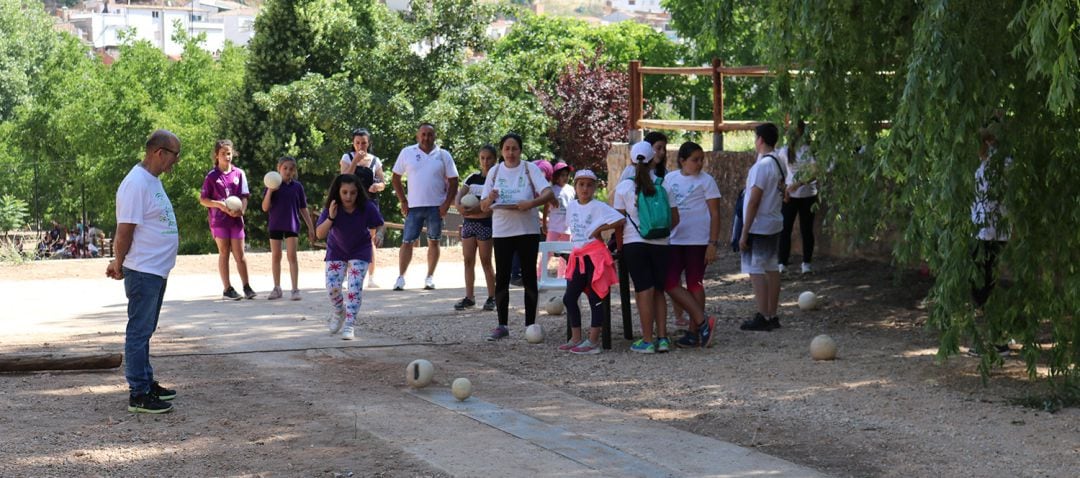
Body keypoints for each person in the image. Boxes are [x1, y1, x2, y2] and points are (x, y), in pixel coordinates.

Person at [105, 129, 181, 414]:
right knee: (138, 331)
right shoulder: (136, 183)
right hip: (143, 271)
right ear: (159, 153)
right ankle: (138, 393)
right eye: (175, 156)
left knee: (145, 329)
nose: (176, 162)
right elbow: (125, 230)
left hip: (156, 270)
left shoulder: (151, 181)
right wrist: (118, 261)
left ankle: (147, 383)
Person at [615, 141, 715, 353]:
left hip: (635, 243)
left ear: (631, 161)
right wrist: (661, 233)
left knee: (644, 291)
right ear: (653, 160)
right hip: (662, 244)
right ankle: (662, 339)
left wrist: (621, 244)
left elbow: (618, 222)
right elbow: (675, 218)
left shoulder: (624, 187)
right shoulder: (664, 184)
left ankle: (647, 340)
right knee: (659, 289)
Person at [481, 133, 555, 340]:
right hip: (503, 231)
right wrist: (490, 198)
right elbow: (483, 206)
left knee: (529, 277)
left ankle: (531, 324)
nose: (511, 153)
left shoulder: (530, 169)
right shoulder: (495, 172)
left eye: (514, 148)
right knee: (502, 278)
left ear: (520, 151)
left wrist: (530, 204)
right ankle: (502, 324)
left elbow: (548, 193)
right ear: (502, 151)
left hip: (528, 230)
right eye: (507, 149)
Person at [663, 141, 722, 346]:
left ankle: (693, 331)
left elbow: (715, 213)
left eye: (701, 160)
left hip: (698, 240)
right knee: (669, 282)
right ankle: (702, 320)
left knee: (694, 282)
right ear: (682, 160)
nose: (699, 164)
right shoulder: (669, 179)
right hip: (674, 238)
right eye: (695, 160)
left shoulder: (707, 181)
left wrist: (712, 243)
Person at [559, 169, 624, 354]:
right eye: (581, 184)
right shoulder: (571, 206)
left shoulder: (598, 206)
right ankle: (576, 338)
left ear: (594, 187)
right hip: (578, 256)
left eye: (589, 185)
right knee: (569, 297)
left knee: (595, 298)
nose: (585, 188)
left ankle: (593, 341)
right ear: (575, 186)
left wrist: (599, 230)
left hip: (594, 257)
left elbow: (620, 219)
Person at [391, 123, 459, 291]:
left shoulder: (443, 155)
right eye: (423, 134)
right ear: (417, 136)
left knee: (434, 241)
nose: (426, 138)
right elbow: (395, 177)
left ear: (434, 136)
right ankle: (401, 277)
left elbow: (454, 181)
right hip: (414, 206)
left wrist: (445, 204)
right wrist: (403, 200)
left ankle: (429, 277)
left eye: (429, 134)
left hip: (436, 207)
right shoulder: (407, 152)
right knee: (407, 241)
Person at [317, 174, 385, 340]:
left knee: (354, 289)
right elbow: (319, 234)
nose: (349, 196)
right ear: (338, 192)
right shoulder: (332, 207)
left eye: (353, 193)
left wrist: (380, 234)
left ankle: (349, 324)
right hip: (336, 250)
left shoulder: (366, 207)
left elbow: (380, 224)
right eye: (345, 192)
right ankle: (339, 311)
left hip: (360, 250)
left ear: (358, 193)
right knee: (332, 287)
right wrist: (331, 217)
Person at [969, 119, 1012, 356]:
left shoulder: (997, 163)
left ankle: (997, 340)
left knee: (982, 286)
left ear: (986, 142)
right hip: (987, 231)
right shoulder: (992, 162)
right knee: (983, 284)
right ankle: (995, 338)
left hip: (989, 233)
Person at [739, 123, 785, 331]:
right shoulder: (778, 162)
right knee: (772, 267)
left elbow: (754, 200)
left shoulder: (762, 167)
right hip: (774, 220)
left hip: (759, 224)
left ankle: (763, 315)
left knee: (756, 269)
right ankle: (771, 314)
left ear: (760, 139)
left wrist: (744, 231)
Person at [199, 139, 256, 300]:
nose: (227, 156)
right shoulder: (211, 177)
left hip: (236, 220)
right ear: (216, 156)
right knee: (224, 252)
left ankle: (247, 286)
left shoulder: (239, 173)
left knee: (240, 253)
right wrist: (219, 205)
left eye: (229, 153)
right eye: (223, 153)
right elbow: (203, 199)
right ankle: (227, 289)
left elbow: (244, 196)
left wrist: (242, 211)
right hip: (219, 220)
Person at [262, 156, 316, 300]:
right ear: (278, 168)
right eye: (284, 168)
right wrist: (270, 191)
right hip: (275, 225)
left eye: (291, 169)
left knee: (292, 256)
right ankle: (277, 288)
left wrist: (311, 227)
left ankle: (295, 289)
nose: (287, 171)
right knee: (276, 256)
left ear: (294, 171)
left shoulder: (297, 187)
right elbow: (265, 207)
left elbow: (303, 208)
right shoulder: (271, 185)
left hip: (291, 225)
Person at [340, 128, 387, 288]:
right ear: (353, 143)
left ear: (369, 143)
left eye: (364, 143)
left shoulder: (375, 160)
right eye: (357, 143)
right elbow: (343, 178)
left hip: (370, 203)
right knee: (348, 238)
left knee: (370, 239)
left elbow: (383, 183)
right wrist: (355, 161)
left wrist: (377, 186)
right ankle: (347, 276)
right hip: (349, 203)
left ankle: (371, 277)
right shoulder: (347, 157)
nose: (361, 146)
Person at [453, 145, 498, 311]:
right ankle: (469, 297)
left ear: (495, 160)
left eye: (489, 158)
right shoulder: (472, 178)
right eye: (482, 158)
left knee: (486, 261)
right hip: (469, 225)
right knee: (468, 261)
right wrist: (460, 207)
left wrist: (476, 210)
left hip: (485, 225)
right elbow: (459, 197)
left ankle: (492, 297)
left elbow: (489, 208)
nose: (485, 162)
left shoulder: (496, 179)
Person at [778, 120, 819, 274]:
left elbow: (815, 172)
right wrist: (785, 191)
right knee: (785, 229)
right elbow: (781, 173)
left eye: (797, 129)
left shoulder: (810, 149)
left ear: (803, 131)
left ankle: (806, 263)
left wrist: (798, 184)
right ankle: (782, 263)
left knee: (806, 230)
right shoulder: (785, 150)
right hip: (790, 196)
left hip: (808, 194)